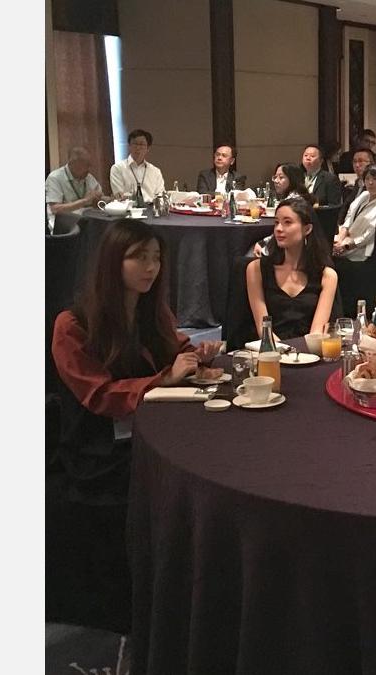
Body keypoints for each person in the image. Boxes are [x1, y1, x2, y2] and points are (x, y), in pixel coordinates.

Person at [49, 219, 222, 632]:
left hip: (149, 432)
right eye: (138, 257)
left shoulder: (150, 308)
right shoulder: (72, 324)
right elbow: (99, 396)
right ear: (113, 261)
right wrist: (162, 380)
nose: (150, 268)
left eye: (156, 258)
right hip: (99, 452)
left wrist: (199, 355)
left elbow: (176, 346)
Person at [245, 196, 339, 340]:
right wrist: (281, 350)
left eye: (287, 222)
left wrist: (300, 352)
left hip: (308, 349)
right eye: (276, 223)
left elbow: (316, 334)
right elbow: (263, 331)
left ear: (307, 229)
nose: (279, 229)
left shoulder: (327, 275)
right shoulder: (256, 269)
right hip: (269, 348)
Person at [332, 164, 376, 314]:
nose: (370, 183)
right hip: (345, 241)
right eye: (367, 179)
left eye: (375, 179)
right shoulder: (364, 195)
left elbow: (368, 236)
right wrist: (340, 239)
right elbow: (348, 217)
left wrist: (345, 246)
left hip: (360, 252)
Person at [251, 164, 313, 258]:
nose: (276, 181)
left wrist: (262, 244)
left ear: (292, 179)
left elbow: (283, 232)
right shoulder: (297, 196)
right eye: (275, 177)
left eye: (281, 177)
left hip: (289, 250)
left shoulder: (294, 202)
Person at [45, 146, 103, 231]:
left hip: (84, 220)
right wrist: (85, 201)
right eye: (86, 165)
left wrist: (110, 200)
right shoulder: (55, 178)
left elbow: (98, 198)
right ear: (73, 164)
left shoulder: (88, 177)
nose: (89, 169)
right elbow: (55, 209)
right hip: (62, 224)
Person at [109, 129, 166, 203]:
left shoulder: (155, 171)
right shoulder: (117, 168)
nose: (138, 148)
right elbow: (119, 196)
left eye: (141, 144)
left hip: (151, 208)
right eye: (135, 144)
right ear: (129, 146)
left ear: (148, 148)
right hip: (128, 208)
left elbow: (160, 196)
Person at [300, 143, 344, 208]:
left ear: (321, 161)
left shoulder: (330, 179)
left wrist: (318, 207)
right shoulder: (298, 177)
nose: (308, 158)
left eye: (312, 156)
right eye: (305, 155)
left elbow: (334, 206)